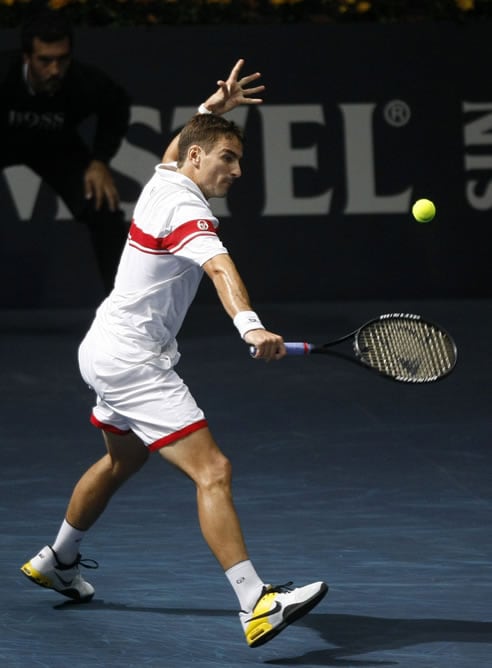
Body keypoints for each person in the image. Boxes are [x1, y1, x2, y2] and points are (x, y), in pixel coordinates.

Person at [20, 59, 328, 649]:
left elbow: (178, 143)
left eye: (239, 161)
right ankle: (256, 603)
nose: (236, 170)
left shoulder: (164, 180)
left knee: (121, 461)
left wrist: (214, 109)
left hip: (102, 347)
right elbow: (219, 266)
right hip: (134, 360)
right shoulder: (189, 209)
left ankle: (57, 558)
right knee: (213, 470)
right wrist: (251, 327)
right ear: (196, 159)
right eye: (227, 158)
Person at [0, 9, 131, 294]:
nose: (55, 70)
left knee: (103, 207)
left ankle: (125, 310)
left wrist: (99, 161)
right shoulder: (3, 74)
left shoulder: (84, 81)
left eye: (62, 59)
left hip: (55, 147)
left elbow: (117, 107)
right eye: (45, 61)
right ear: (26, 57)